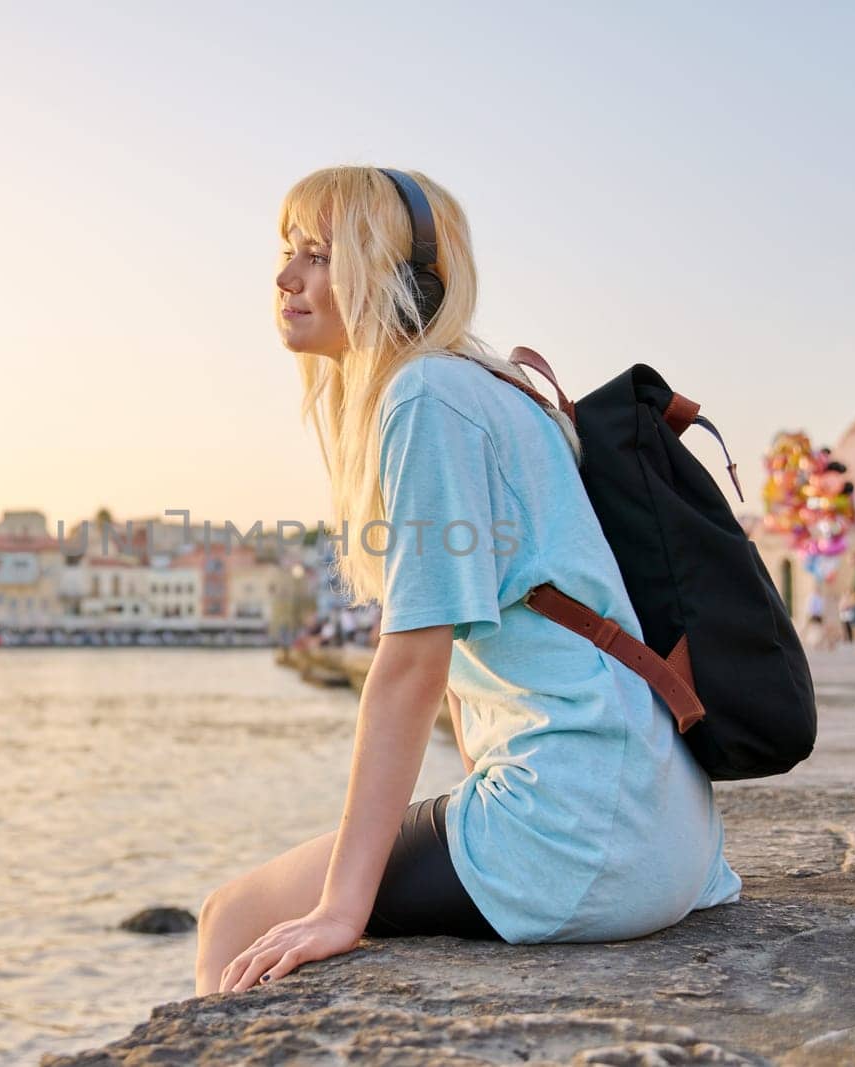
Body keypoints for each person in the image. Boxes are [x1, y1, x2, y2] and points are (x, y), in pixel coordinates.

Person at [195, 166, 740, 997]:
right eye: (287, 252)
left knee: (232, 917)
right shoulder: (492, 387)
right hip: (665, 829)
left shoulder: (424, 397)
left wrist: (344, 907)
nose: (285, 277)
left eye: (318, 254)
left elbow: (411, 668)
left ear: (393, 275)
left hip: (577, 828)